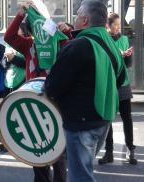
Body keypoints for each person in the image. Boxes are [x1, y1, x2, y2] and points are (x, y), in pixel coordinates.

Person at [45, 1, 126, 181]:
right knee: (84, 172)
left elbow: (52, 87)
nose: (75, 16)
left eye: (78, 13)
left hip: (81, 124)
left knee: (80, 176)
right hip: (104, 120)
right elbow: (120, 79)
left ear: (84, 19)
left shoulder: (77, 46)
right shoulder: (112, 44)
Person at [4, 1, 68, 182]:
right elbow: (9, 36)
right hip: (34, 100)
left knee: (58, 151)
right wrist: (21, 14)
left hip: (55, 100)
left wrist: (65, 29)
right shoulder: (28, 46)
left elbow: (69, 44)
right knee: (38, 148)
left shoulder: (58, 42)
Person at [98, 12, 137, 165]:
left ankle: (130, 149)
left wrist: (127, 56)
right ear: (108, 26)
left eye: (120, 25)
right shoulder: (103, 40)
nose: (119, 28)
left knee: (127, 118)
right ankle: (109, 152)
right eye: (116, 25)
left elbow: (128, 65)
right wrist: (118, 54)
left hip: (123, 84)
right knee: (108, 119)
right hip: (108, 83)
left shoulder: (124, 39)